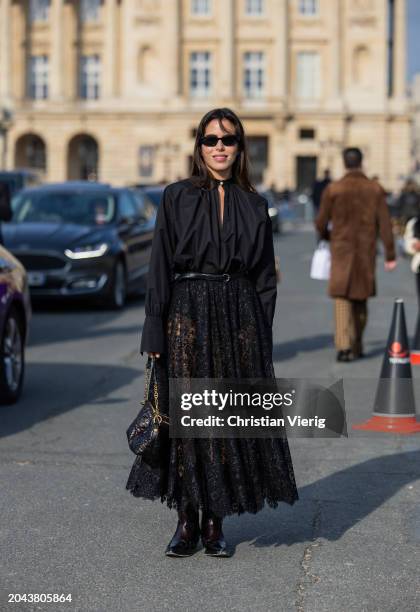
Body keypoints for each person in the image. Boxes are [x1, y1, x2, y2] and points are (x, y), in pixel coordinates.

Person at [126, 107, 299, 557]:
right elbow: (160, 266)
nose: (219, 147)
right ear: (198, 146)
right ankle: (186, 520)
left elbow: (264, 278)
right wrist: (153, 331)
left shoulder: (255, 203)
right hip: (185, 313)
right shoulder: (176, 196)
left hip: (238, 317)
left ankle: (214, 523)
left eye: (228, 140)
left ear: (240, 148)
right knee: (187, 424)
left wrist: (261, 335)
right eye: (210, 139)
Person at [315, 147, 396, 362]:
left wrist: (326, 236)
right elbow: (385, 224)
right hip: (365, 250)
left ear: (344, 163)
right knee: (361, 298)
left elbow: (320, 221)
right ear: (362, 162)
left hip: (341, 248)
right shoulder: (375, 188)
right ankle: (357, 342)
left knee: (341, 296)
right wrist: (390, 253)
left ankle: (343, 346)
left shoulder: (334, 189)